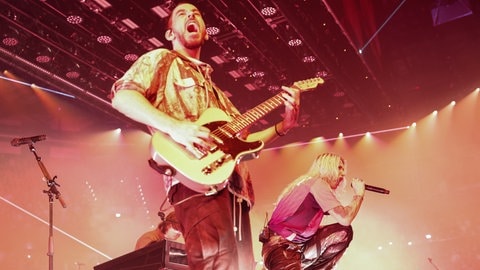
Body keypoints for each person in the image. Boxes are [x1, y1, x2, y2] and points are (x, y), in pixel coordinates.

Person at [110, 1, 301, 269]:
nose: (191, 15)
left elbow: (246, 143)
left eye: (196, 13)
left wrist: (283, 127)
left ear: (206, 31)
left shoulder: (217, 93)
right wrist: (176, 127)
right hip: (195, 182)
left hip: (235, 191)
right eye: (182, 14)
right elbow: (122, 96)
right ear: (170, 33)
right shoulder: (161, 60)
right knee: (216, 265)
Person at [260, 153, 365, 270]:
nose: (343, 174)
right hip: (281, 248)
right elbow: (345, 218)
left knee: (343, 232)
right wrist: (359, 194)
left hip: (295, 247)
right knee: (345, 228)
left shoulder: (307, 183)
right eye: (339, 168)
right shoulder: (318, 184)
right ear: (327, 167)